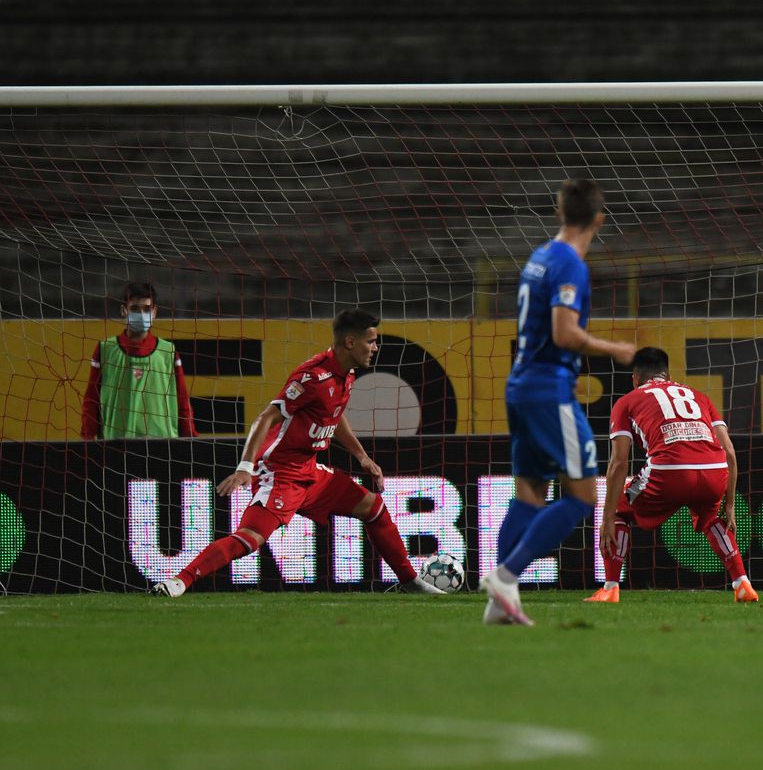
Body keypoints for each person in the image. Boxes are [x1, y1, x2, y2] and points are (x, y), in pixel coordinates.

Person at [152, 308, 440, 597]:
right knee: (249, 539)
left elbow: (334, 416)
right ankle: (180, 581)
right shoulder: (312, 378)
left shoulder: (347, 374)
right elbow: (265, 418)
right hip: (280, 473)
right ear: (350, 342)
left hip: (310, 472)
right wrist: (245, 467)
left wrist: (362, 456)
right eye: (371, 341)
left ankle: (410, 582)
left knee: (373, 508)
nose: (376, 347)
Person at [480, 178, 637, 626]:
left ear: (559, 212)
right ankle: (506, 577)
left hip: (521, 384)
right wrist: (616, 350)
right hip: (550, 390)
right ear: (599, 221)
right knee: (584, 496)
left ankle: (500, 604)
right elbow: (564, 333)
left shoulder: (540, 256)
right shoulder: (570, 264)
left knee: (530, 491)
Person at [588, 347, 759, 604]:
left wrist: (606, 516)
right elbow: (730, 452)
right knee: (712, 516)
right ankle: (742, 583)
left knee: (619, 511)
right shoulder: (699, 397)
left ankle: (610, 588)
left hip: (668, 471)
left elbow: (618, 463)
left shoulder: (627, 401)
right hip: (714, 470)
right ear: (667, 374)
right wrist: (731, 504)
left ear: (635, 377)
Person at [82, 282, 199, 440]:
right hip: (116, 444)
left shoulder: (168, 352)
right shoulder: (105, 350)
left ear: (154, 312)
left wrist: (190, 436)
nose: (141, 314)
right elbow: (91, 399)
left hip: (163, 447)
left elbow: (182, 400)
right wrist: (88, 437)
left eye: (146, 309)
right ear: (124, 310)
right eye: (135, 309)